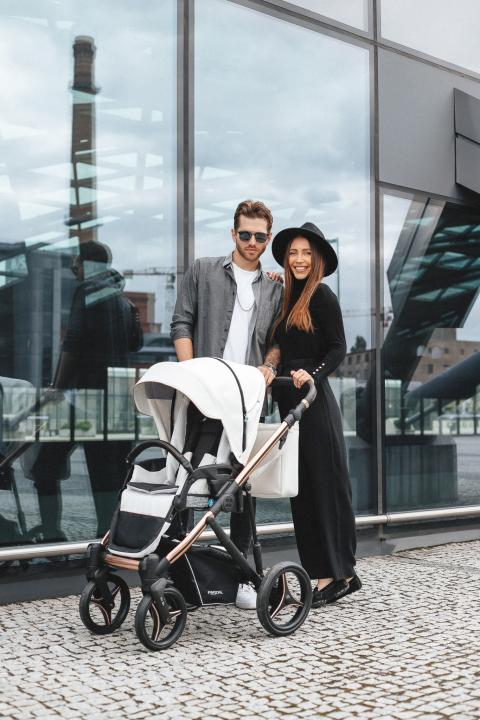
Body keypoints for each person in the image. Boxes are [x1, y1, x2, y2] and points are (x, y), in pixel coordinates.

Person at [171, 199, 283, 609]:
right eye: (245, 234)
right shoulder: (203, 270)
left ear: (268, 238)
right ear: (233, 233)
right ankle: (177, 570)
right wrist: (191, 376)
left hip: (248, 398)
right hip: (204, 393)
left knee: (242, 488)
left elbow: (277, 340)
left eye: (260, 236)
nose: (252, 242)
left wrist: (270, 366)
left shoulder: (275, 287)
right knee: (189, 476)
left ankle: (244, 579)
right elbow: (181, 322)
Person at [264, 222, 361, 607]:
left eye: (306, 253)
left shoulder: (322, 295)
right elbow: (279, 344)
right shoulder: (288, 297)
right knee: (301, 492)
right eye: (293, 253)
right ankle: (327, 572)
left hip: (313, 402)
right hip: (290, 403)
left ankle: (337, 574)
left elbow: (338, 348)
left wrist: (313, 374)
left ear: (317, 258)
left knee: (325, 488)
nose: (299, 259)